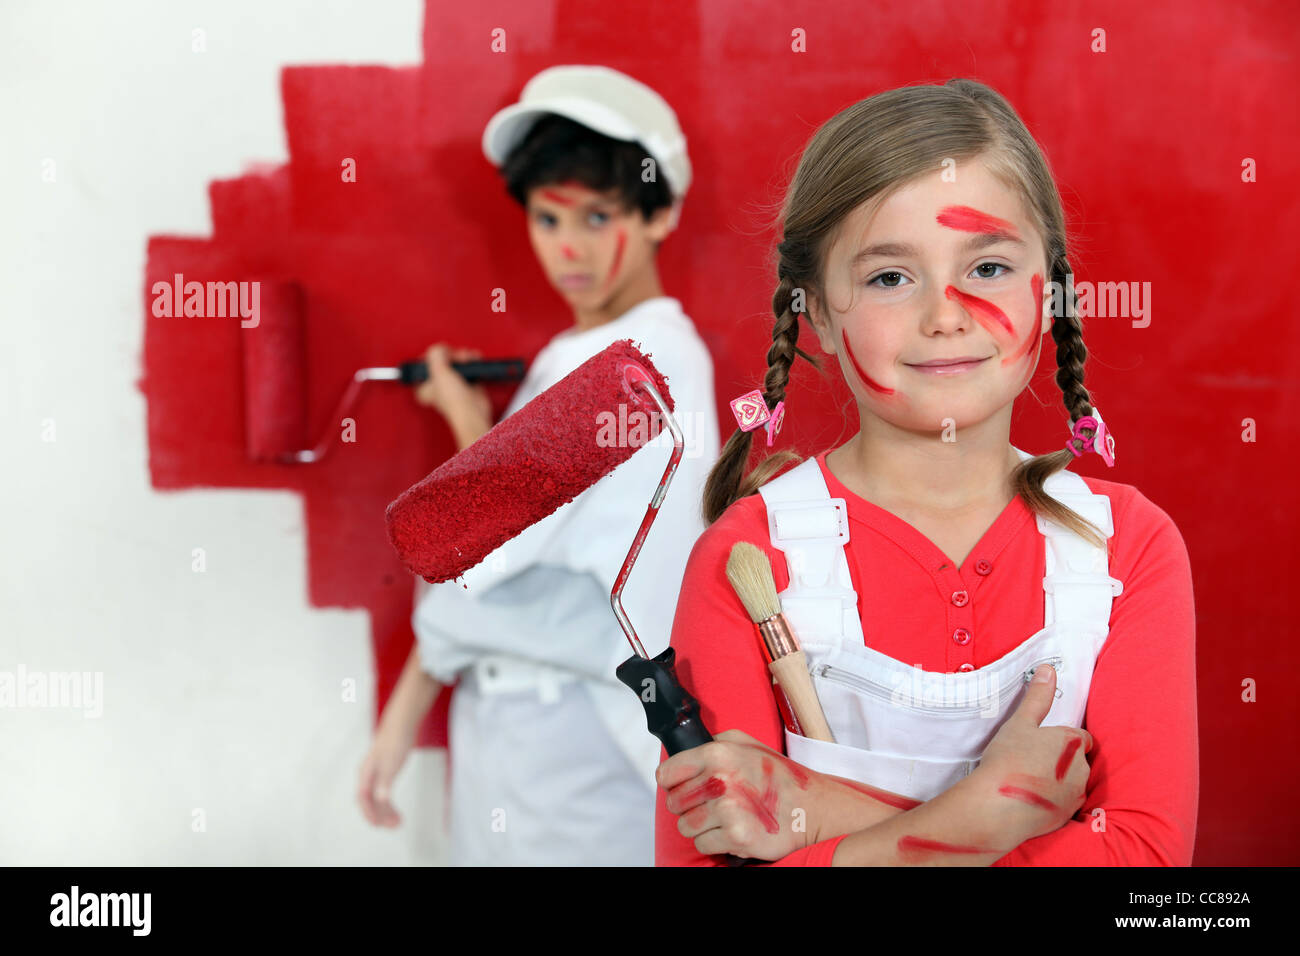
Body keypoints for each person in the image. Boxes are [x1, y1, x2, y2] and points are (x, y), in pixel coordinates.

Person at [655, 79, 1197, 866]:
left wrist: (820, 819)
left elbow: (1147, 872)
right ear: (817, 315)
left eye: (987, 267)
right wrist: (990, 812)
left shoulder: (1128, 548)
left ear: (1050, 292)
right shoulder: (746, 559)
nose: (947, 314)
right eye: (888, 278)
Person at [357, 65, 720, 865]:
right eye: (548, 218)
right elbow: (502, 536)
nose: (571, 248)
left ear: (660, 213)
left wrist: (461, 420)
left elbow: (479, 540)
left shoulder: (641, 365)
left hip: (578, 741)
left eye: (599, 215)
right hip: (527, 727)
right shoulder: (582, 356)